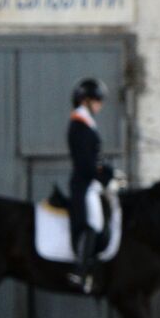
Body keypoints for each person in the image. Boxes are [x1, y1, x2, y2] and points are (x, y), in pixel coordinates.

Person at [66, 79, 114, 291]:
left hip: (90, 182)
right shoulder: (80, 126)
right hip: (85, 185)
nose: (100, 106)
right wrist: (105, 174)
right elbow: (87, 164)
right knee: (93, 221)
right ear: (85, 101)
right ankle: (80, 270)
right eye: (97, 101)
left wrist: (107, 170)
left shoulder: (85, 125)